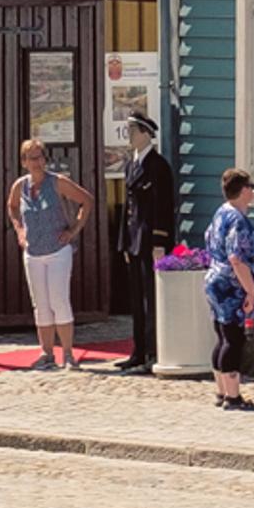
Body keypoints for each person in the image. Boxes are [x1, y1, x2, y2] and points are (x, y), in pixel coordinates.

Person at [8, 137, 93, 371]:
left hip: (57, 251)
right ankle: (46, 353)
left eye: (40, 157)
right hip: (33, 252)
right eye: (31, 158)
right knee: (41, 304)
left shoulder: (57, 183)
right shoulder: (20, 186)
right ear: (24, 161)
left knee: (59, 299)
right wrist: (20, 230)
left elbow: (86, 201)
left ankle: (67, 353)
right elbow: (12, 206)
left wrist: (74, 230)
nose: (37, 162)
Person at [112, 113, 177, 373]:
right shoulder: (131, 165)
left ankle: (153, 351)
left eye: (132, 130)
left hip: (151, 241)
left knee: (152, 300)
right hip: (134, 240)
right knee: (137, 301)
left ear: (146, 133)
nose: (129, 135)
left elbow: (163, 206)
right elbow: (129, 208)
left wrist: (159, 242)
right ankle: (138, 351)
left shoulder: (158, 166)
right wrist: (124, 242)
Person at [201, 169, 254, 410]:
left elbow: (209, 238)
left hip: (215, 279)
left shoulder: (221, 212)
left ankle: (222, 391)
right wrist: (251, 292)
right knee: (233, 338)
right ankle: (232, 396)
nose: (253, 190)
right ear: (243, 190)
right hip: (232, 284)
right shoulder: (238, 221)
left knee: (222, 335)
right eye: (251, 186)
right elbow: (236, 258)